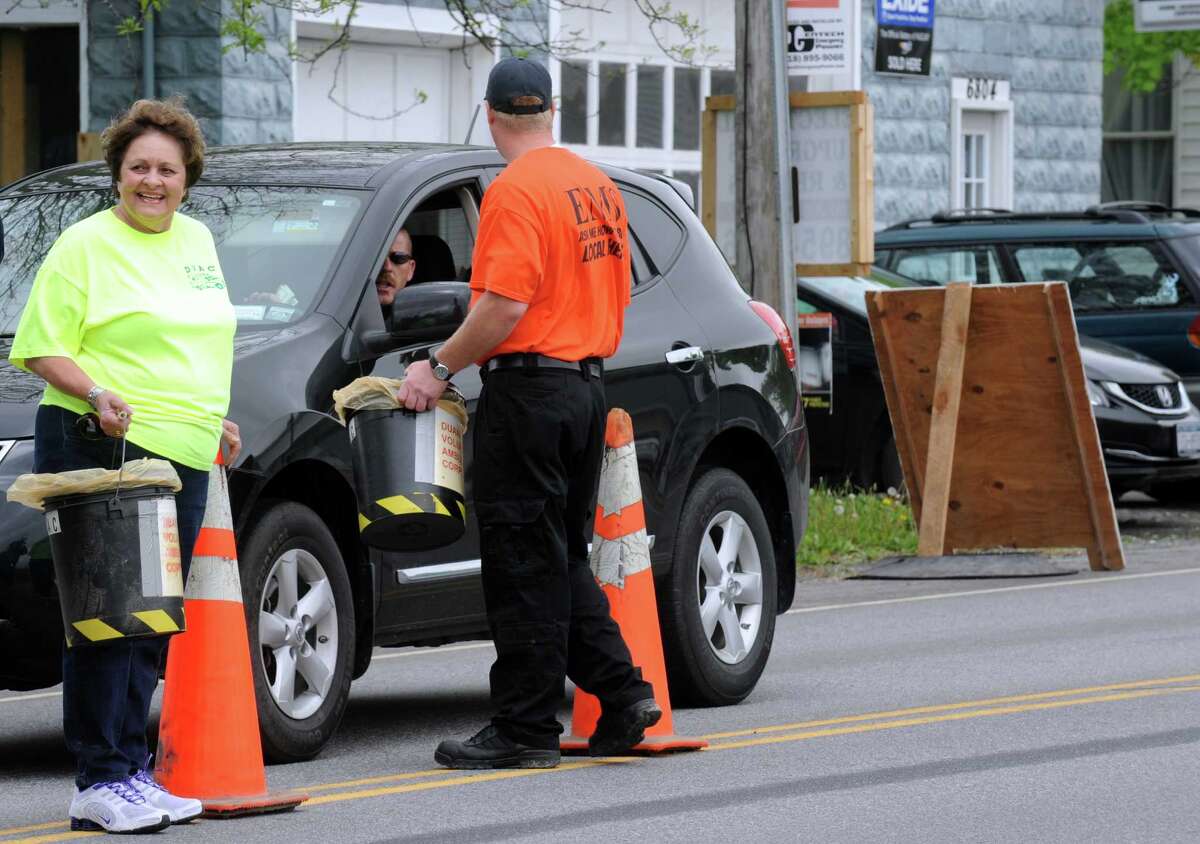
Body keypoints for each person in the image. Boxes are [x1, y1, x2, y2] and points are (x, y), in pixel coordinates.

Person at [398, 57, 661, 770]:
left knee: (521, 561)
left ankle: (525, 726)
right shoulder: (597, 185)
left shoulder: (515, 192)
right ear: (552, 113)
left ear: (490, 116)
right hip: (585, 387)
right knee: (555, 555)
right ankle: (624, 692)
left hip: (530, 393)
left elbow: (504, 306)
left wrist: (438, 367)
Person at [9, 98, 240, 834]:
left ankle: (132, 771)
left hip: (183, 448)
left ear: (187, 177)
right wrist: (96, 392)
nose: (152, 181)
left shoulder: (198, 238)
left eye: (166, 170)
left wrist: (210, 416)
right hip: (99, 440)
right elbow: (42, 345)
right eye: (138, 167)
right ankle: (99, 778)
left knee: (151, 620)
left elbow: (192, 345)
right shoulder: (84, 245)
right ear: (118, 174)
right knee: (107, 620)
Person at [244, 228, 415, 316]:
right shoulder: (327, 309)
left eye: (398, 258)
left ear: (411, 269)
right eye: (375, 258)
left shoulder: (422, 323)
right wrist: (280, 312)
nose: (386, 267)